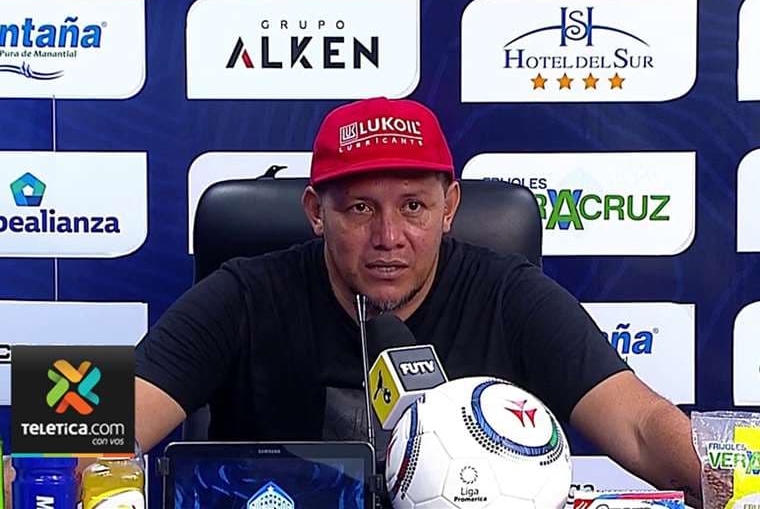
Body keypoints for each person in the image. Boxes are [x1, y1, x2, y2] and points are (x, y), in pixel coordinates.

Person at [134, 97, 704, 507]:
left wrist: (726, 484)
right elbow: (104, 423)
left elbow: (640, 424)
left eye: (413, 207)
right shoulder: (243, 294)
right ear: (315, 213)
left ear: (449, 207)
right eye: (360, 209)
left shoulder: (510, 294)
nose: (388, 238)